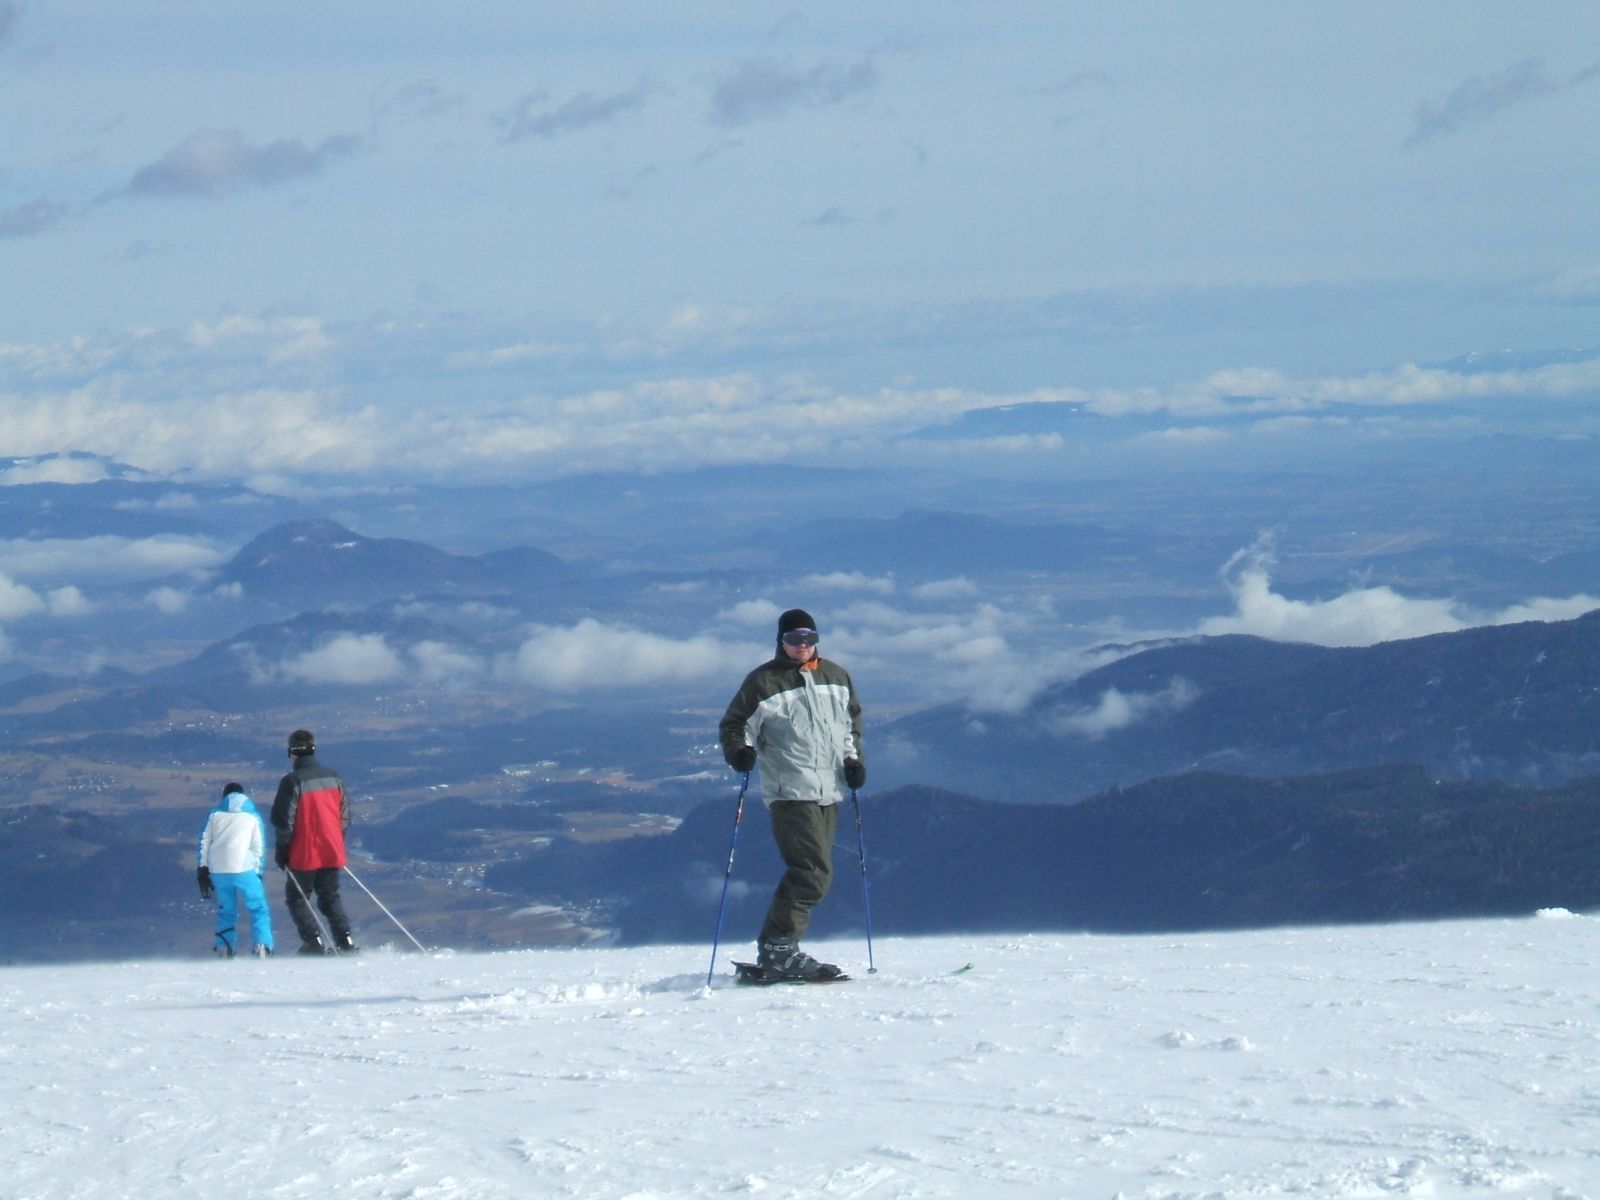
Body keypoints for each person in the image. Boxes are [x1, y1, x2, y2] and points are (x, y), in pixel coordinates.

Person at [718, 608, 865, 980]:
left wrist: (853, 761)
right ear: (781, 641)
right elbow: (735, 724)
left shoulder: (836, 676)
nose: (802, 646)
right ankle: (779, 947)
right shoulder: (764, 681)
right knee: (812, 872)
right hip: (790, 790)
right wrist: (739, 751)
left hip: (830, 790)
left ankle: (779, 948)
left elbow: (849, 725)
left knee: (815, 871)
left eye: (809, 638)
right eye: (794, 639)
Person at [270, 728, 357, 955]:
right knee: (329, 896)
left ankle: (313, 942)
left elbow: (283, 821)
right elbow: (344, 816)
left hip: (303, 851)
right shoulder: (333, 777)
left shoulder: (292, 781)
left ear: (292, 753)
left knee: (297, 898)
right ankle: (345, 941)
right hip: (332, 848)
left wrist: (282, 852)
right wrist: (337, 839)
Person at [196, 781, 276, 958]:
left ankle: (224, 947)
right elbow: (258, 847)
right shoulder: (252, 817)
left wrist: (202, 869)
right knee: (258, 907)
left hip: (218, 869)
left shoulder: (214, 816)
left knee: (227, 909)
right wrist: (258, 873)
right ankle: (262, 946)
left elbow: (204, 843)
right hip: (244, 868)